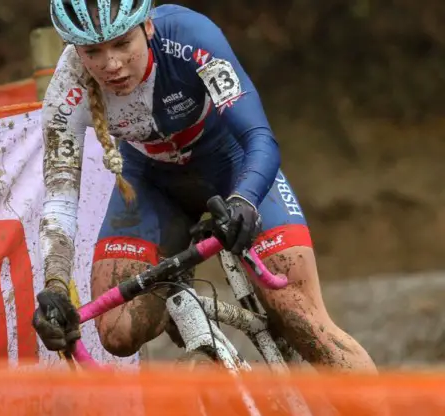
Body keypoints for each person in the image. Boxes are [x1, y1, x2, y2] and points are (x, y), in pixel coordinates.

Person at [32, 0, 377, 372]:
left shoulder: (189, 36)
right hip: (151, 184)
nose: (111, 64)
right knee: (117, 332)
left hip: (230, 168)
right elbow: (60, 201)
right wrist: (53, 287)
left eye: (121, 43)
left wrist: (244, 199)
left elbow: (259, 137)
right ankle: (192, 327)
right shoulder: (67, 89)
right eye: (93, 51)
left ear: (147, 26)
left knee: (304, 322)